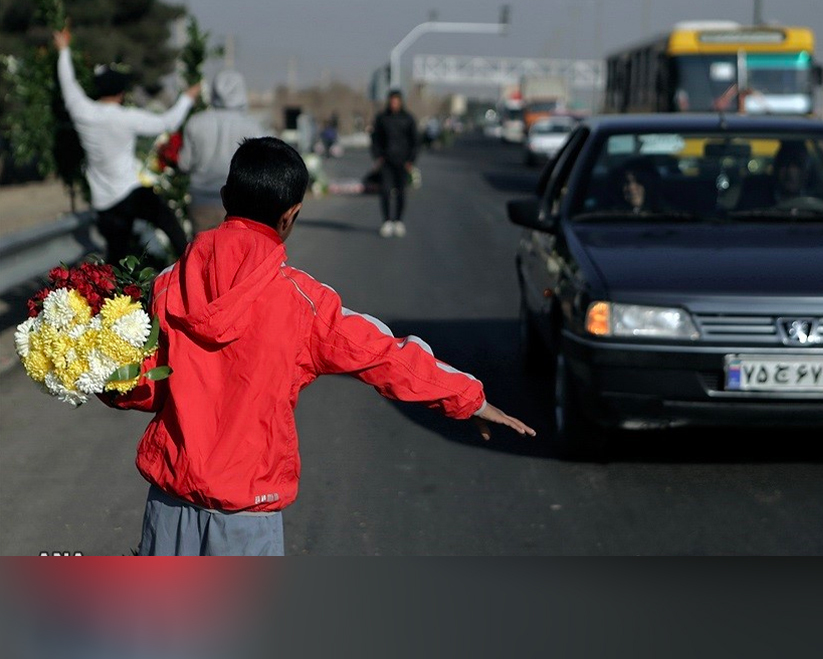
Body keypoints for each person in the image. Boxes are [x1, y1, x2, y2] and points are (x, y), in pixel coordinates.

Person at [98, 137, 534, 556]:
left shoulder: (166, 285)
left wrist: (91, 370)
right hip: (248, 513)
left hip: (168, 504)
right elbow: (384, 354)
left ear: (227, 195)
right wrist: (467, 398)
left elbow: (143, 386)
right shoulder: (303, 303)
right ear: (291, 215)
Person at [54, 26, 201, 265]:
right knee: (168, 222)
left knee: (115, 259)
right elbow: (168, 122)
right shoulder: (126, 117)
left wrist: (63, 50)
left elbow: (67, 84)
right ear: (121, 93)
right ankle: (191, 262)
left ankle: (114, 298)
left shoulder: (82, 112)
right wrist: (187, 98)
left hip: (103, 202)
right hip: (129, 194)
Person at [177, 69, 268, 234]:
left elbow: (184, 164)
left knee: (202, 254)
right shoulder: (254, 127)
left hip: (201, 202)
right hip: (240, 207)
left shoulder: (196, 122)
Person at [371, 89, 418, 237]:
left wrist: (410, 160)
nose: (394, 104)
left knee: (401, 192)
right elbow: (375, 139)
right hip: (386, 161)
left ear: (400, 102)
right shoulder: (382, 118)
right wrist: (378, 156)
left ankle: (398, 221)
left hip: (403, 162)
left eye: (396, 101)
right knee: (385, 191)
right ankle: (387, 222)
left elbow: (415, 141)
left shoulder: (408, 119)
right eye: (392, 101)